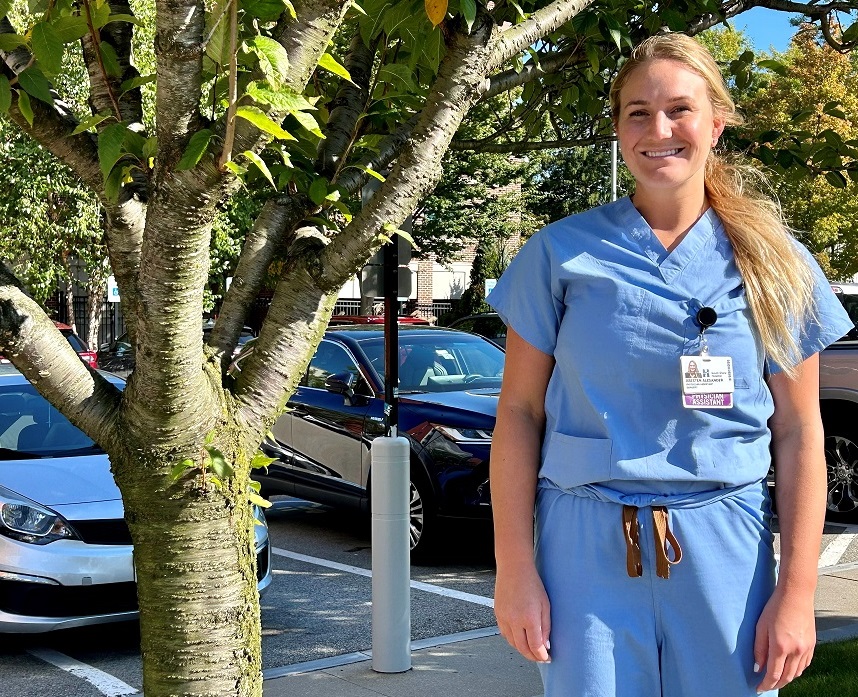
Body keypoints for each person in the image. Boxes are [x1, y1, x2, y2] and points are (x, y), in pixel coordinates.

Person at [487, 33, 852, 697]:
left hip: (725, 544)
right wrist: (514, 567)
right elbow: (518, 413)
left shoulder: (776, 262)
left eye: (680, 109)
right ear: (619, 131)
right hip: (583, 545)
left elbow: (800, 433)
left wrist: (798, 593)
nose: (660, 129)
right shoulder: (560, 255)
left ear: (716, 121)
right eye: (637, 112)